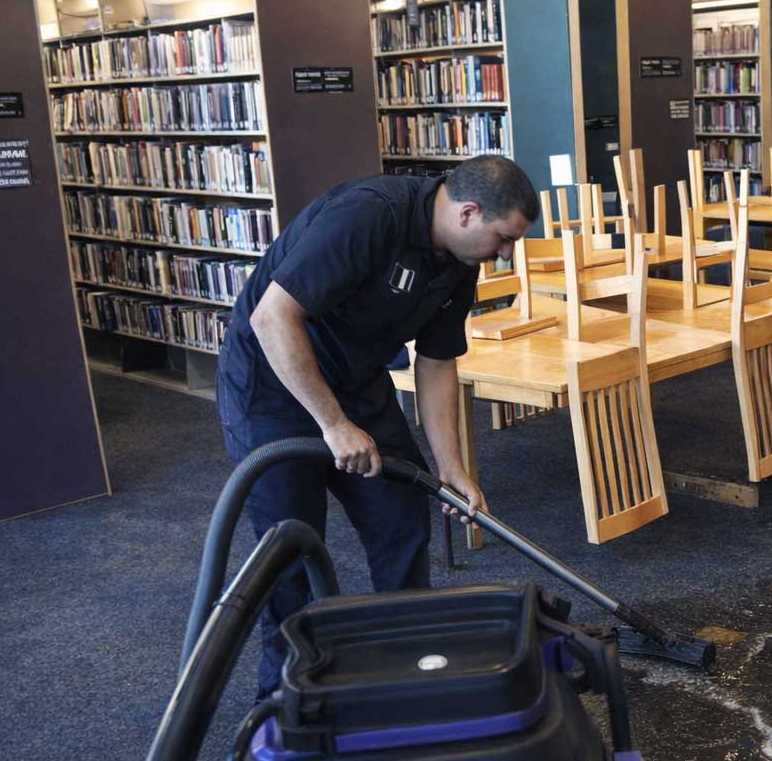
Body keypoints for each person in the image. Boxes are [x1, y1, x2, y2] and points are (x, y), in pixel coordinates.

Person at [216, 155, 537, 694]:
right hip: (273, 381)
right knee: (289, 547)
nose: (507, 254)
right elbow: (272, 318)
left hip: (355, 379)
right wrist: (333, 424)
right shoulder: (368, 215)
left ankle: (406, 661)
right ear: (468, 213)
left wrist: (451, 467)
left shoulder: (460, 261)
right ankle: (282, 698)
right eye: (504, 238)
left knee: (401, 515)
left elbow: (437, 362)